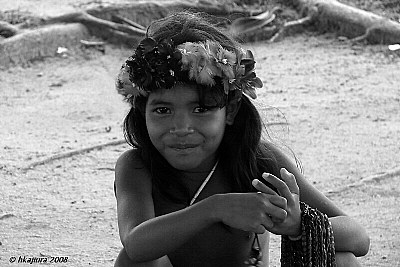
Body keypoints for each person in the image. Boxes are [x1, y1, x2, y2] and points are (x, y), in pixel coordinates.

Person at [113, 11, 370, 267]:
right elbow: (135, 245)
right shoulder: (137, 166)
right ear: (141, 111)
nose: (180, 128)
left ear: (231, 111)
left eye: (201, 109)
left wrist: (298, 224)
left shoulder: (257, 160)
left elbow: (358, 237)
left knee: (343, 260)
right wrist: (215, 208)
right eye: (162, 110)